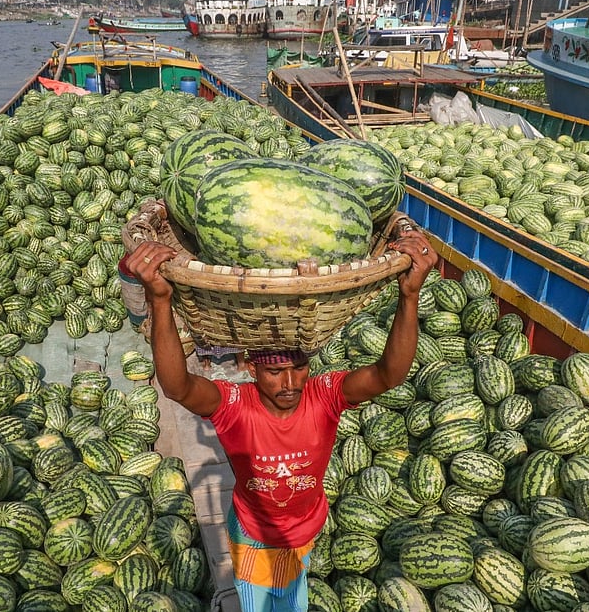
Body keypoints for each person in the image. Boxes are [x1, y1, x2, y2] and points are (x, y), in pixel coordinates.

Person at [128, 230, 437, 612]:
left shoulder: (324, 396)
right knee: (260, 605)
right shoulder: (234, 405)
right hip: (254, 536)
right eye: (275, 372)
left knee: (292, 595)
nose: (289, 383)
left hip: (306, 529)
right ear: (252, 368)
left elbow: (389, 375)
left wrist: (409, 296)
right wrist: (161, 300)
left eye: (299, 367)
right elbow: (176, 387)